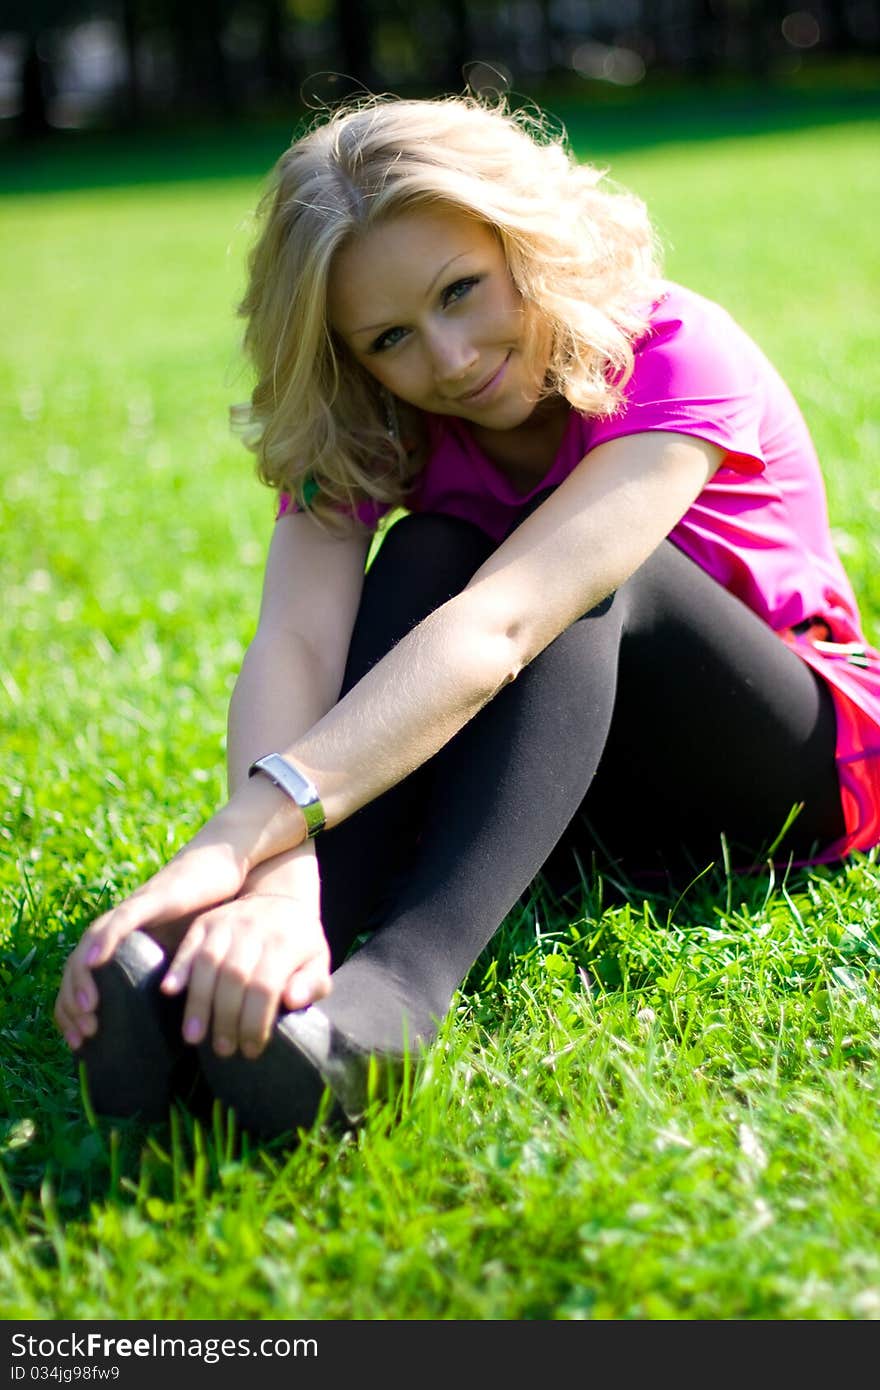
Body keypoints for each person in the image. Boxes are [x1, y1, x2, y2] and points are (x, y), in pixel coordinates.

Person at [54, 94, 880, 1139]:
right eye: (391, 336)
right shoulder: (378, 416)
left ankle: (386, 1006)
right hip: (556, 778)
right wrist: (276, 881)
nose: (445, 359)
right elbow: (296, 639)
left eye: (463, 291)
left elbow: (507, 623)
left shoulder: (670, 348)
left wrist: (237, 833)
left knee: (585, 582)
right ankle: (231, 987)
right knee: (428, 550)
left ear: (524, 238)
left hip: (783, 768)